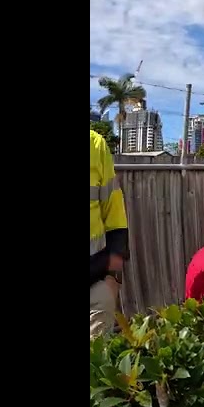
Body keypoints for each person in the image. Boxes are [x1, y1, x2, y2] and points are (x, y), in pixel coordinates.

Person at [90, 129, 129, 339]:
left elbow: (117, 220)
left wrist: (114, 278)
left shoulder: (95, 145)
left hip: (94, 283)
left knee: (96, 357)